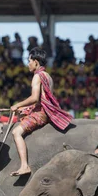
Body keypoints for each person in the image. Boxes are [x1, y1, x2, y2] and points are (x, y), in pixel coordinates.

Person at [10, 47, 73, 176]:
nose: (28, 64)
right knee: (20, 114)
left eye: (29, 61)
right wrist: (23, 109)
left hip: (42, 113)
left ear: (36, 62)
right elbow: (41, 100)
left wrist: (18, 104)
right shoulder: (48, 76)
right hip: (44, 110)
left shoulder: (37, 76)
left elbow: (34, 98)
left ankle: (24, 166)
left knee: (16, 132)